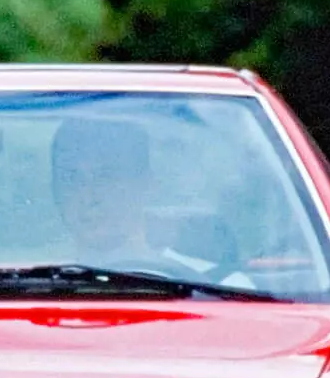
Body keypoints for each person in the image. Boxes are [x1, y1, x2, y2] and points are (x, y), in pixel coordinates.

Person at [48, 115, 253, 286]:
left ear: (146, 185)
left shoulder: (220, 288)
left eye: (106, 177)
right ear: (55, 190)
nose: (88, 196)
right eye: (71, 178)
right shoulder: (30, 290)